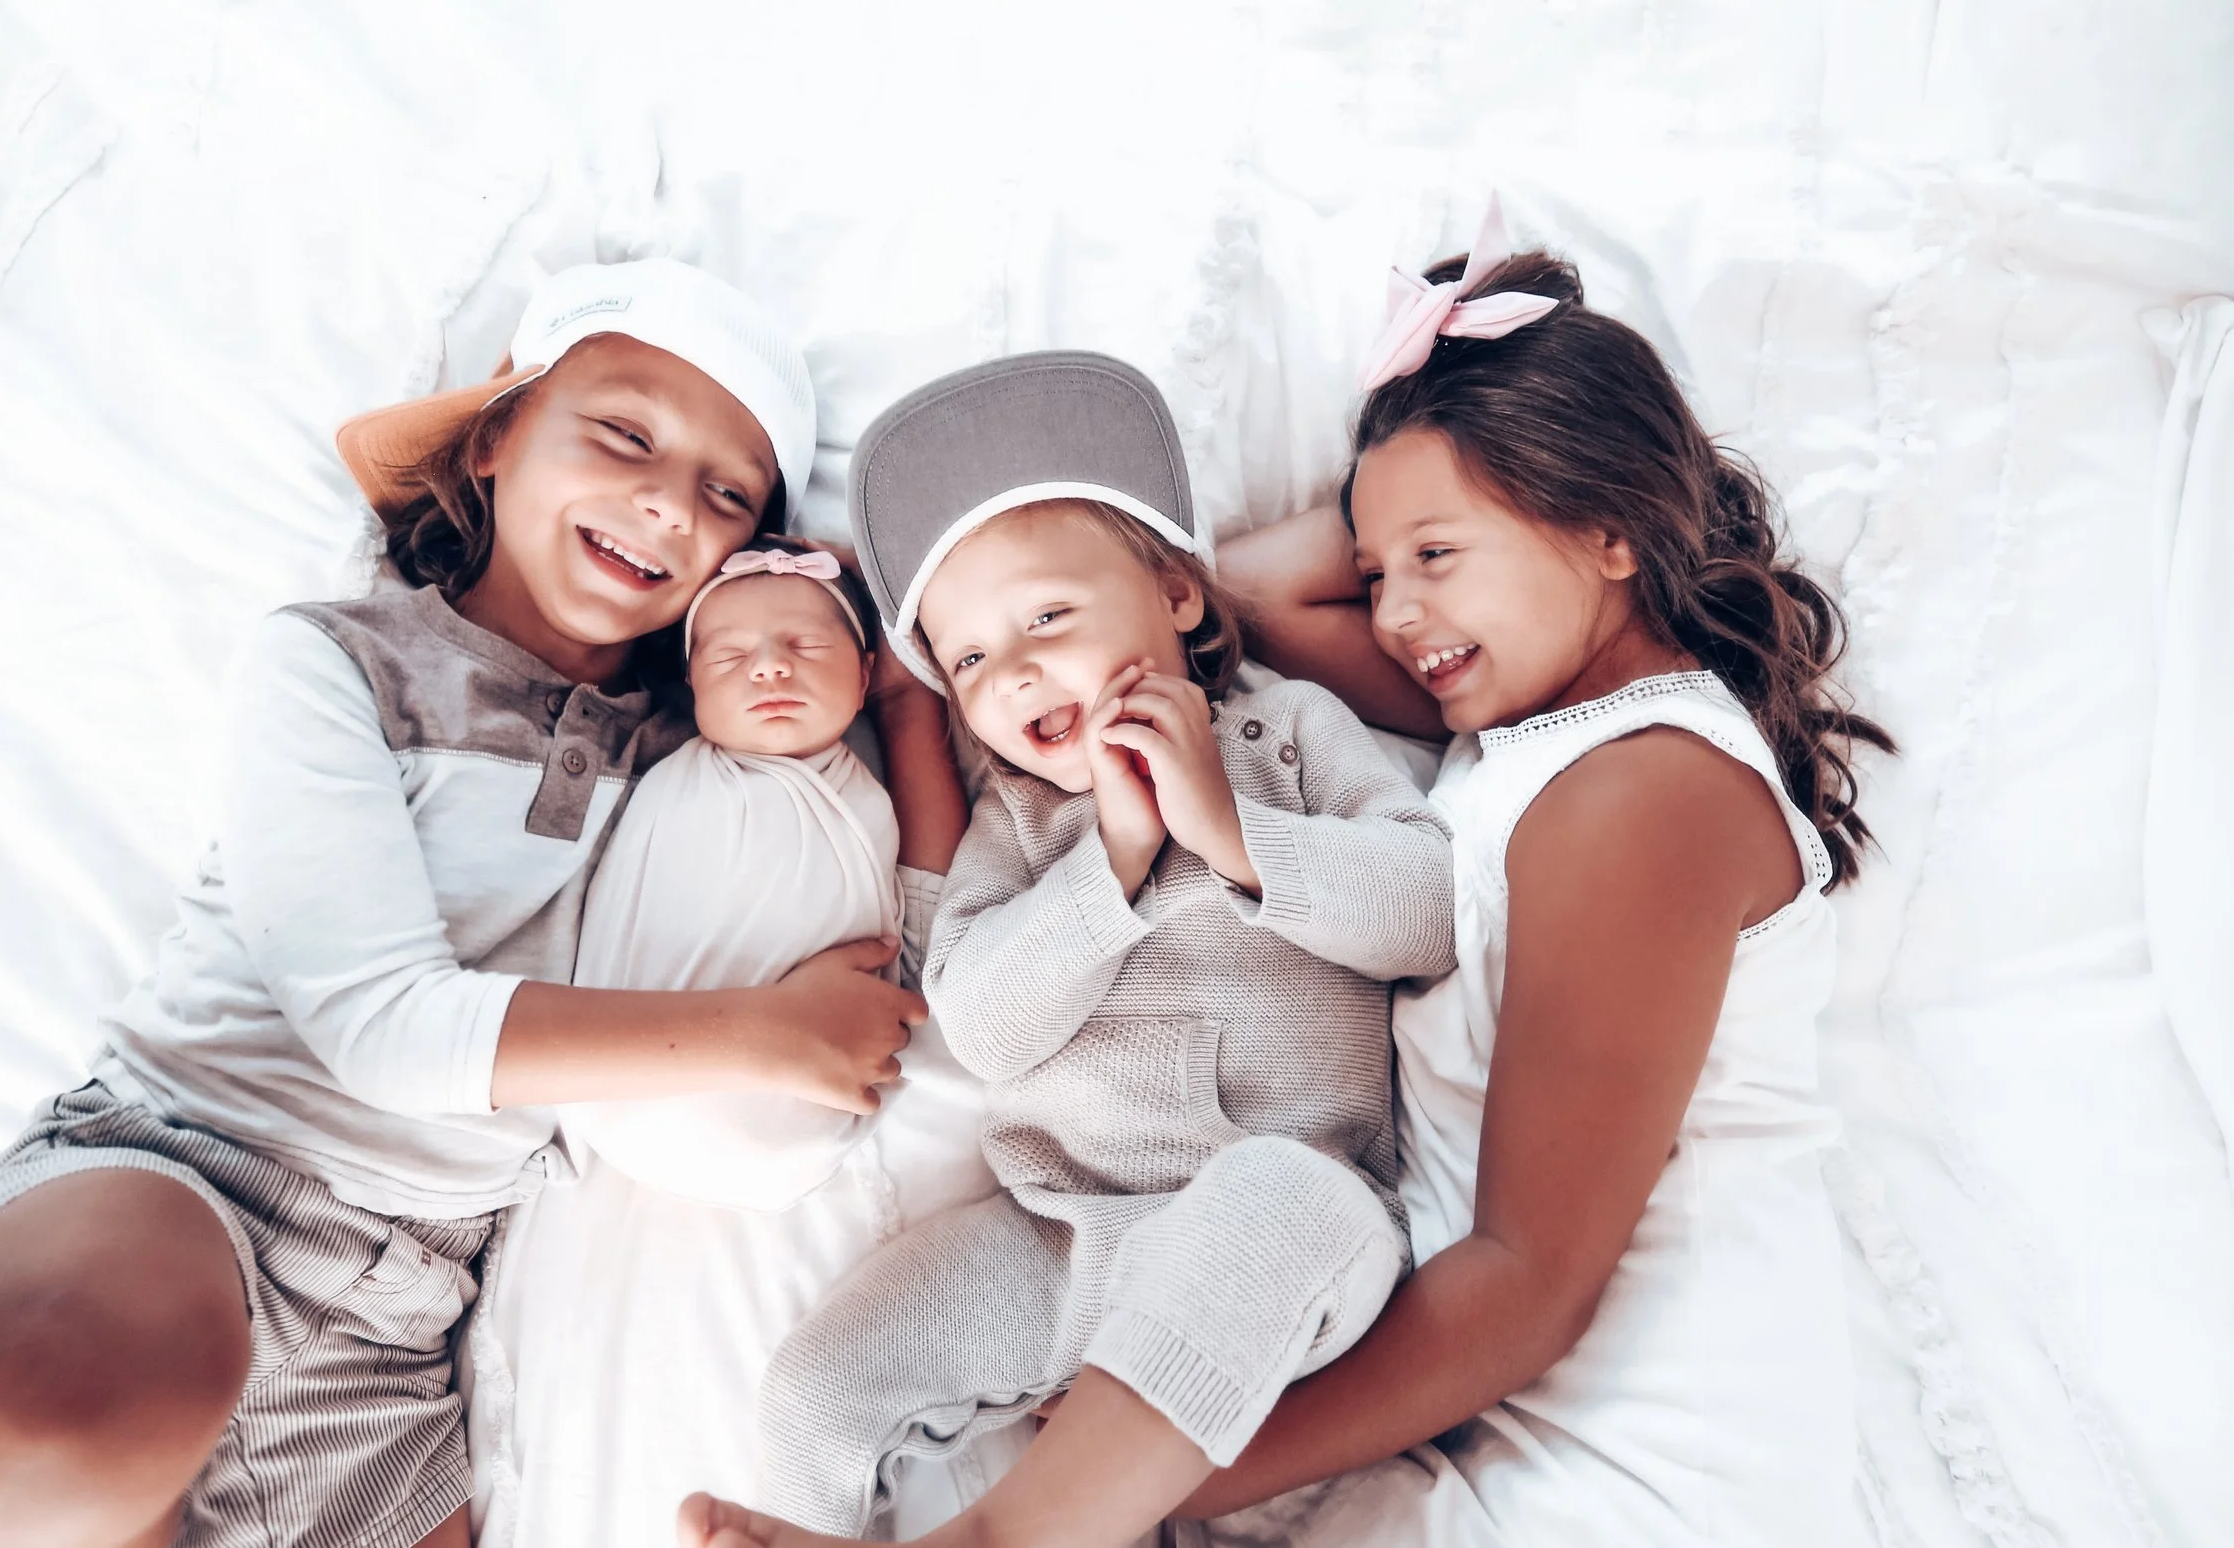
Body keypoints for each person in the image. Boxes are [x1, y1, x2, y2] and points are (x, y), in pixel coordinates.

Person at [0, 260, 929, 1548]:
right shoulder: (334, 662)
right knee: (41, 1439)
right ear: (494, 440)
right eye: (625, 433)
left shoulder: (698, 744)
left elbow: (906, 687)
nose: (667, 499)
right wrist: (761, 1033)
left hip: (396, 1321)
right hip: (199, 1171)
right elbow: (377, 1022)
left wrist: (843, 626)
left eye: (726, 494)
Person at [1175, 200, 1896, 1546]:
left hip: (1641, 1472)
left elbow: (1529, 1277)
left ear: (1611, 527)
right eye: (1379, 568)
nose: (1393, 612)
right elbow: (1240, 596)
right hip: (1500, 1424)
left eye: (1436, 556)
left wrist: (1160, 1463)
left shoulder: (1645, 792)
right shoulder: (1532, 734)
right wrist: (1418, 472)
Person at [680, 351, 1457, 1548]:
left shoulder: (1291, 734)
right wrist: (1114, 868)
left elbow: (1427, 910)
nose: (1018, 669)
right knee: (817, 1382)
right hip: (1060, 1232)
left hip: (1286, 1233)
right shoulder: (1022, 825)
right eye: (973, 660)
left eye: (1047, 616)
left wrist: (1228, 830)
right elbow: (980, 1027)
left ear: (1179, 599)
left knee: (1278, 1194)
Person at [473, 534, 1013, 1546]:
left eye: (804, 646)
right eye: (729, 657)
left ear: (860, 676)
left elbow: (931, 890)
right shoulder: (663, 775)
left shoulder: (865, 796)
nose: (767, 665)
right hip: (621, 1085)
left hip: (788, 1121)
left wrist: (907, 702)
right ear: (688, 684)